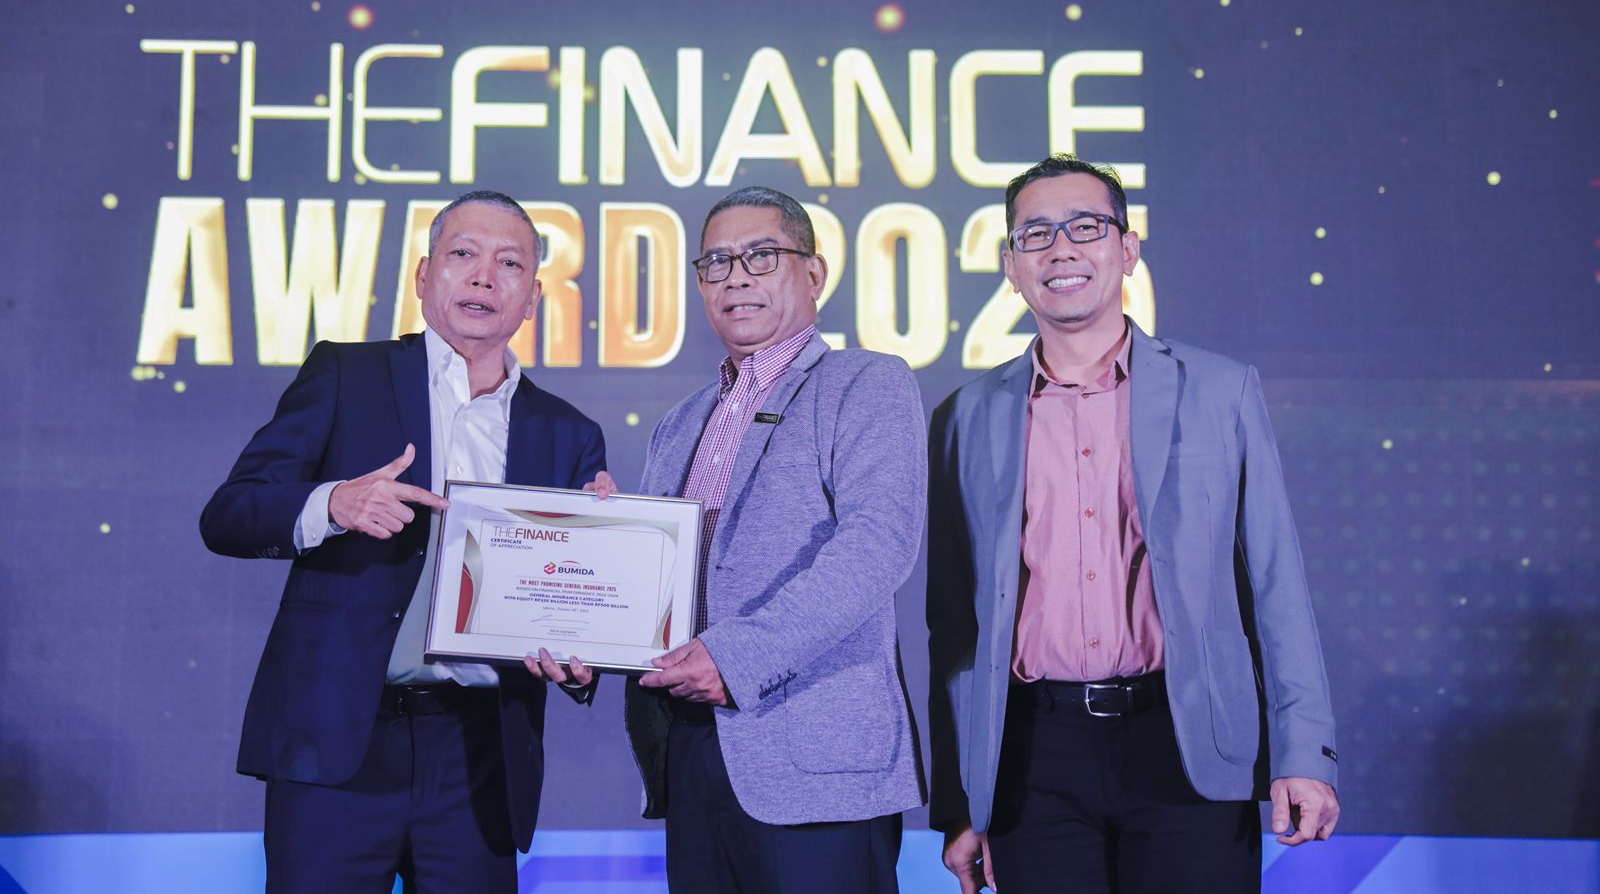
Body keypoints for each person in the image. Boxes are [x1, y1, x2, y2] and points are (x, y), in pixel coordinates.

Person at [927, 155, 1339, 894]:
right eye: (1035, 234)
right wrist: (960, 804)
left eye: (1085, 227)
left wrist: (1303, 752)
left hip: (1186, 740)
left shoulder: (1219, 390)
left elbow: (1276, 586)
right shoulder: (966, 417)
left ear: (1127, 248)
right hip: (1032, 758)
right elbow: (954, 625)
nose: (1061, 249)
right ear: (1010, 266)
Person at [200, 190, 607, 894]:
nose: (484, 276)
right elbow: (230, 514)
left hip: (479, 755)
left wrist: (585, 648)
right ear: (423, 276)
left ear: (533, 298)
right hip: (338, 741)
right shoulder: (346, 376)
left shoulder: (568, 434)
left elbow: (575, 603)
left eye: (509, 263)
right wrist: (335, 503)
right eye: (463, 254)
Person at [555, 185, 926, 893]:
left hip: (815, 759)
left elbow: (878, 545)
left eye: (762, 255)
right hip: (692, 750)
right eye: (717, 263)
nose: (736, 278)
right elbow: (658, 589)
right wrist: (589, 635)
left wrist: (734, 657)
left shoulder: (865, 383)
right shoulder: (679, 423)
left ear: (814, 274)